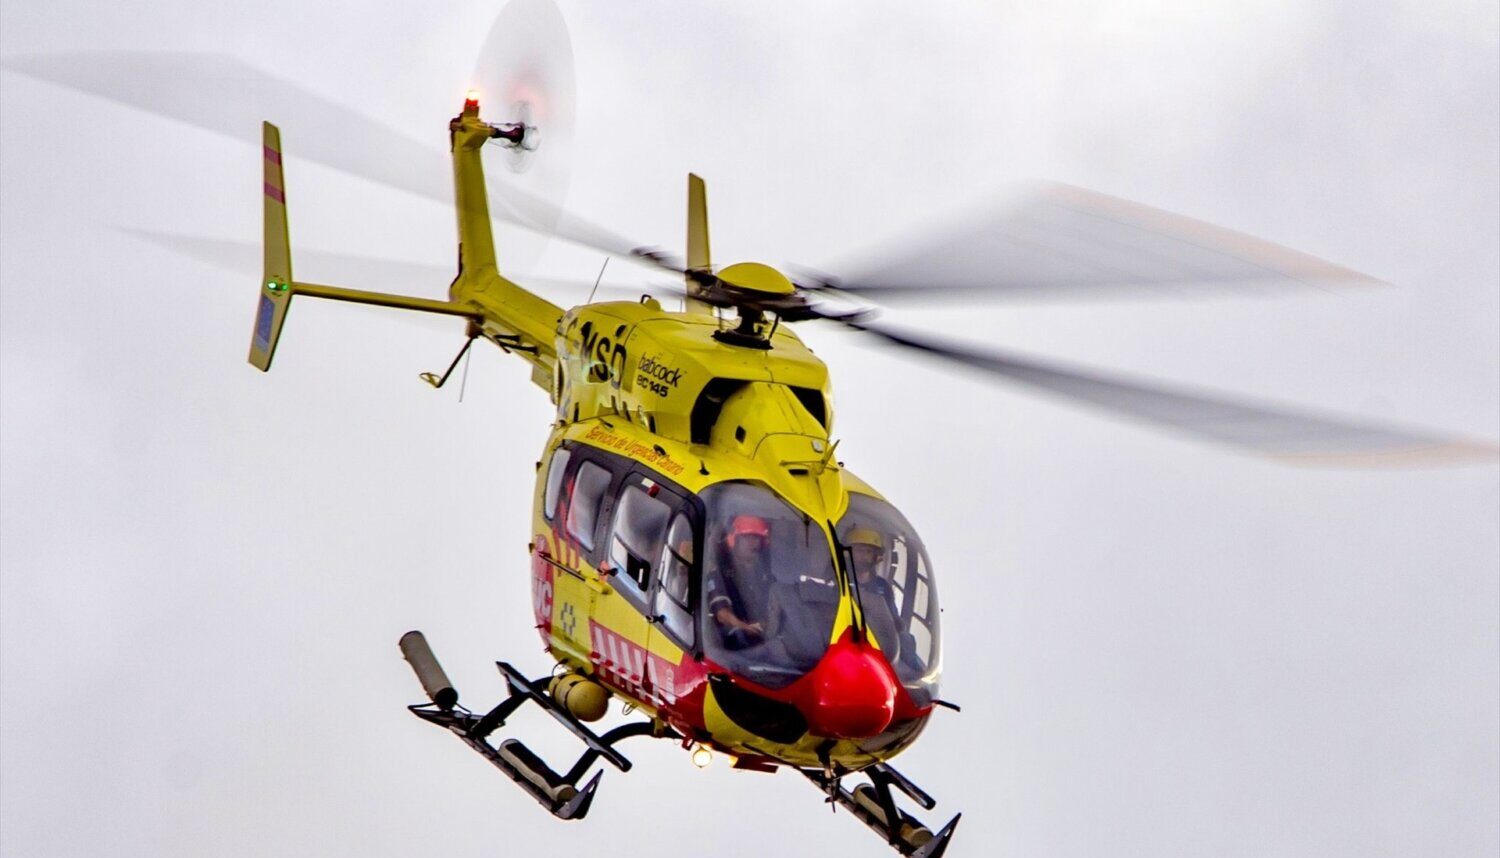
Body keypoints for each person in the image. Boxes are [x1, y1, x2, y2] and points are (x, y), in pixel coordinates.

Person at [705, 514, 778, 649]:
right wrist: (743, 627)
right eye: (746, 537)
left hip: (767, 637)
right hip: (734, 640)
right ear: (734, 540)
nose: (753, 543)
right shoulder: (720, 574)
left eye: (756, 538)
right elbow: (722, 614)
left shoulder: (767, 575)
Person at [846, 527, 903, 660]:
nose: (864, 556)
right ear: (849, 552)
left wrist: (899, 625)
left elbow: (892, 620)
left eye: (869, 552)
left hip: (876, 646)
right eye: (860, 550)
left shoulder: (883, 587)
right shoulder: (837, 580)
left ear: (875, 556)